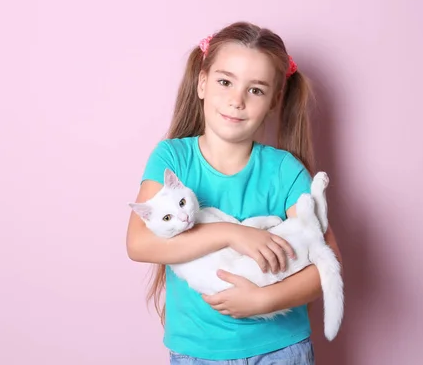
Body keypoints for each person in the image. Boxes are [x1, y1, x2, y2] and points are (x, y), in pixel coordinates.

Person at [126, 21, 342, 364]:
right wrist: (230, 234)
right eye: (225, 82)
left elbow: (327, 263)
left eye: (255, 90)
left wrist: (264, 301)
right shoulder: (173, 159)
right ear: (202, 83)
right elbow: (139, 244)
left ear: (274, 101)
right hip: (197, 353)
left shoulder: (284, 171)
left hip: (280, 350)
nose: (236, 100)